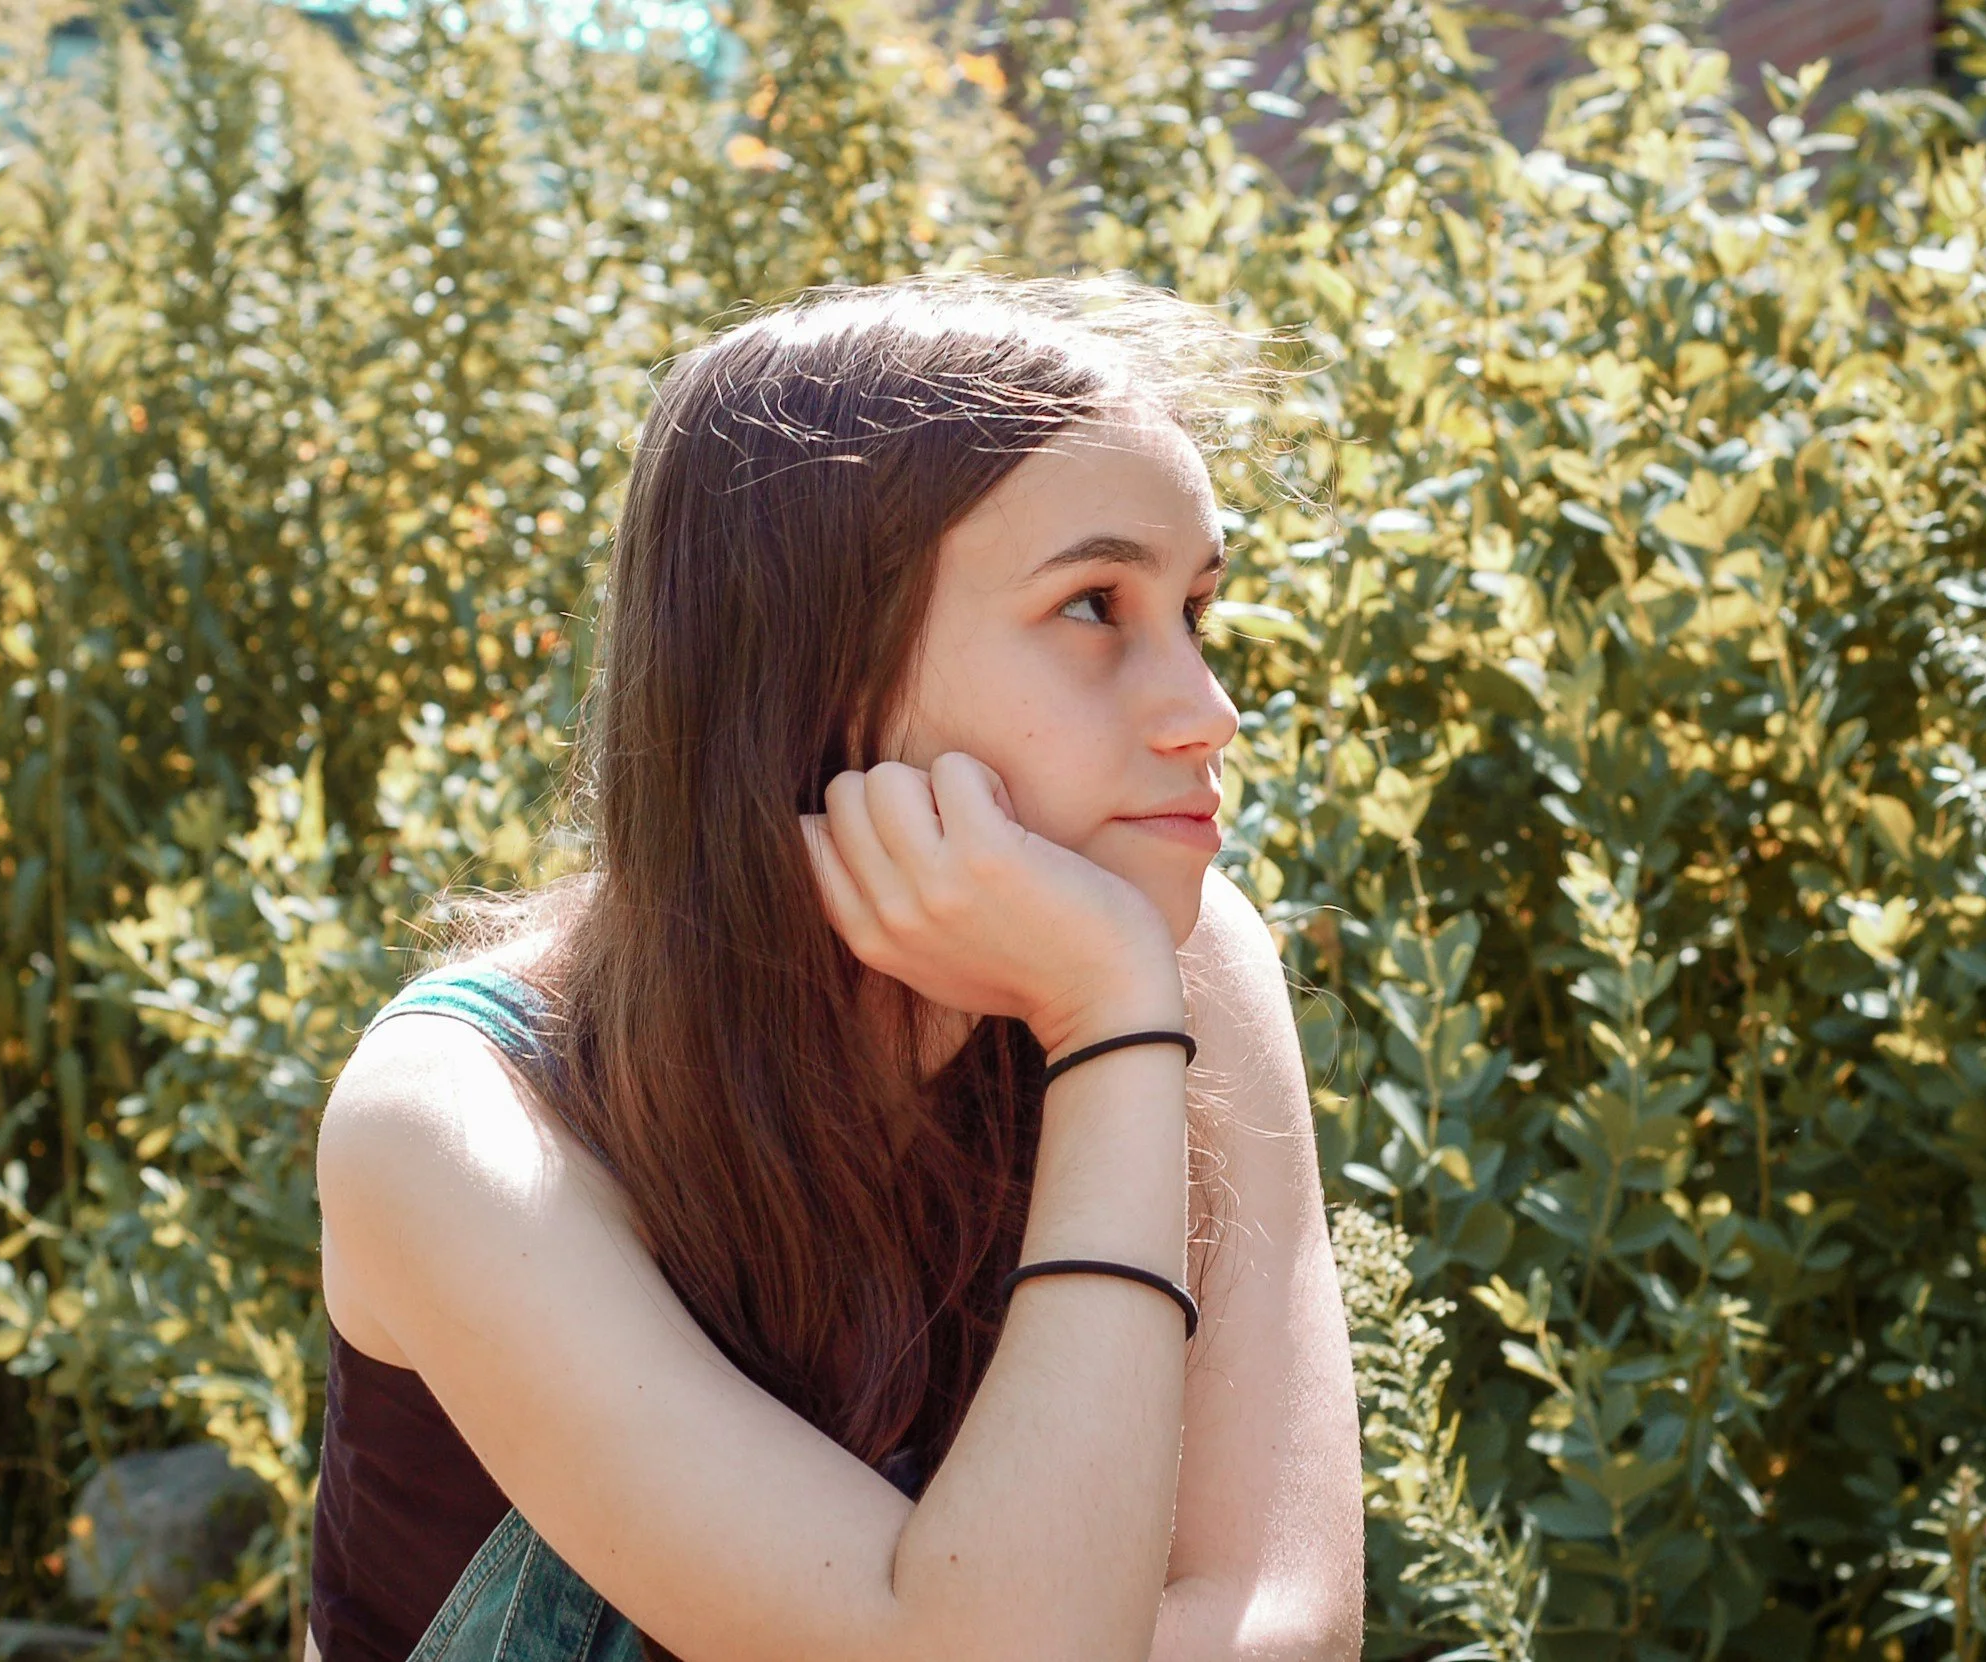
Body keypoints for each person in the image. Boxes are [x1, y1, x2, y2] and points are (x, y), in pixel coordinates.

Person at [309, 269, 1364, 1662]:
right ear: (819, 671)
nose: (1206, 710)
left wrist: (1108, 1009)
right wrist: (1108, 1022)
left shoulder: (1181, 952)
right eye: (1097, 607)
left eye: (1198, 612)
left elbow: (1293, 1616)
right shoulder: (456, 1121)